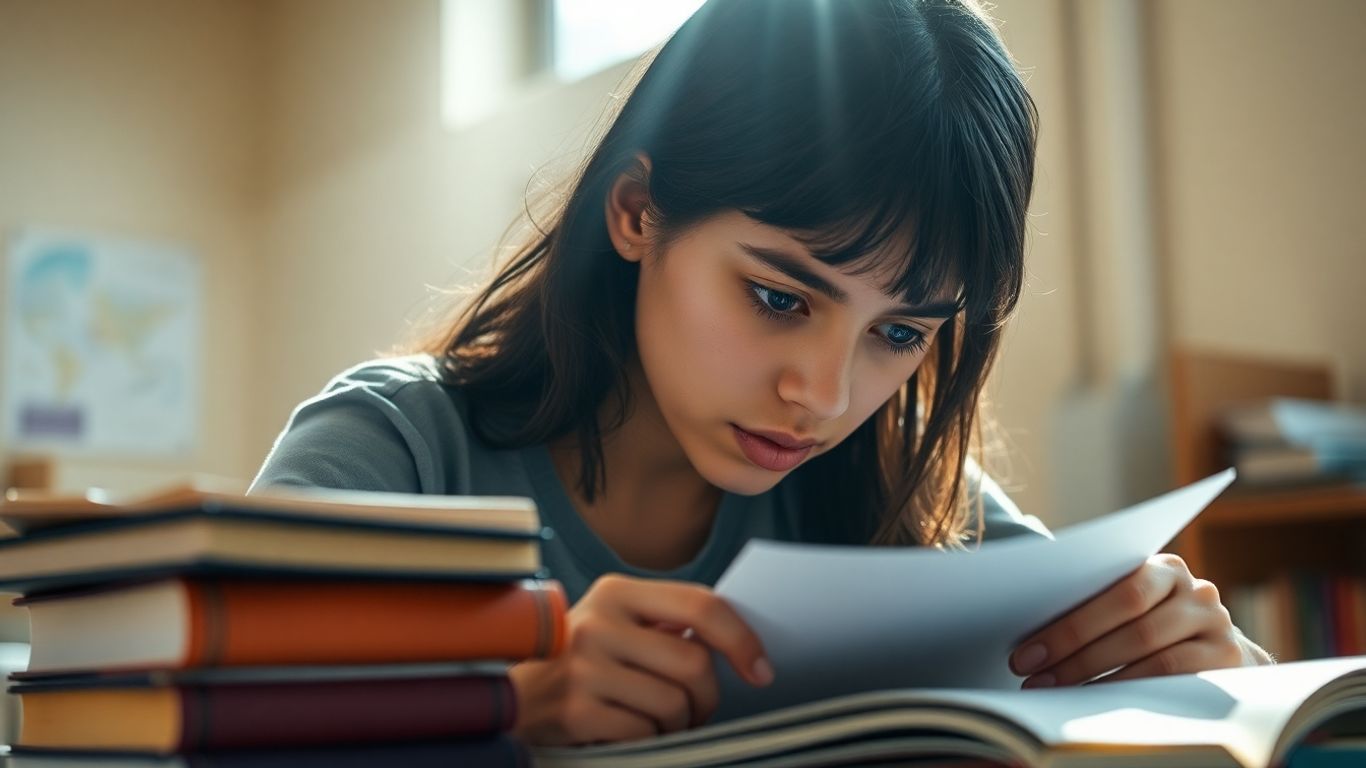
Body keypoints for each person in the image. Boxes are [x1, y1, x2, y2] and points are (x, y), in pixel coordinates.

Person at [251, 0, 1272, 747]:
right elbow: (182, 729)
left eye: (901, 333)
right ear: (638, 211)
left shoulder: (904, 491)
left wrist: (1212, 674)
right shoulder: (396, 453)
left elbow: (1213, 696)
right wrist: (501, 706)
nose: (824, 397)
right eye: (780, 298)